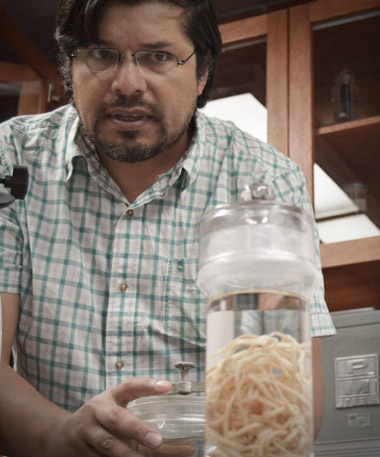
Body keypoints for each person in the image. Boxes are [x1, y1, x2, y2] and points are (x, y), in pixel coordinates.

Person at [0, 0, 336, 455]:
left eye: (158, 57)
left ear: (202, 74)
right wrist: (62, 435)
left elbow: (291, 393)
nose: (127, 83)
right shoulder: (12, 159)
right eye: (101, 55)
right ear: (69, 66)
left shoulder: (265, 180)